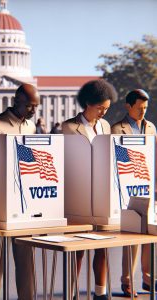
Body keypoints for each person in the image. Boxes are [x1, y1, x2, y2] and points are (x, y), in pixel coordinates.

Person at [0, 83, 40, 300]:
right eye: (29, 106)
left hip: (23, 203)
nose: (33, 111)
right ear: (16, 101)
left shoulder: (31, 127)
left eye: (36, 106)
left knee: (26, 261)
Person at [62, 79, 117, 300]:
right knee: (78, 246)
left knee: (102, 245)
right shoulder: (69, 127)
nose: (104, 112)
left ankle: (100, 292)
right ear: (88, 104)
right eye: (100, 108)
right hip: (79, 194)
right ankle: (72, 292)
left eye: (106, 108)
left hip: (102, 193)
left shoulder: (105, 127)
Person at [111, 89, 156, 297]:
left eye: (145, 108)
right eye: (139, 108)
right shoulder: (117, 129)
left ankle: (148, 279)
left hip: (149, 187)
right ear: (128, 106)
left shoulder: (151, 128)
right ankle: (127, 280)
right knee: (132, 234)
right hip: (128, 189)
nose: (143, 112)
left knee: (151, 234)